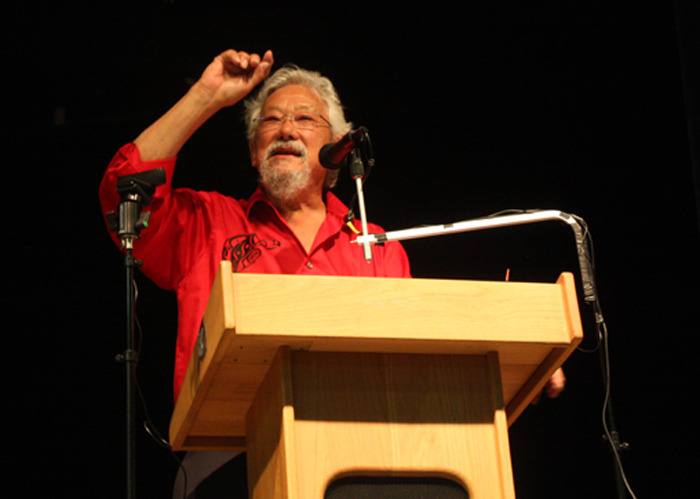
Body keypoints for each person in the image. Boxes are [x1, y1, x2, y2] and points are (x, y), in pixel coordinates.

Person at [99, 48, 565, 498]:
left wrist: (515, 361)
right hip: (226, 461)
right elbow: (125, 190)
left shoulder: (377, 247)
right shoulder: (207, 222)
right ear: (252, 150)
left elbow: (417, 366)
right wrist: (206, 94)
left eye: (305, 119)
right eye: (270, 120)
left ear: (337, 149)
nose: (286, 129)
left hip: (363, 464)